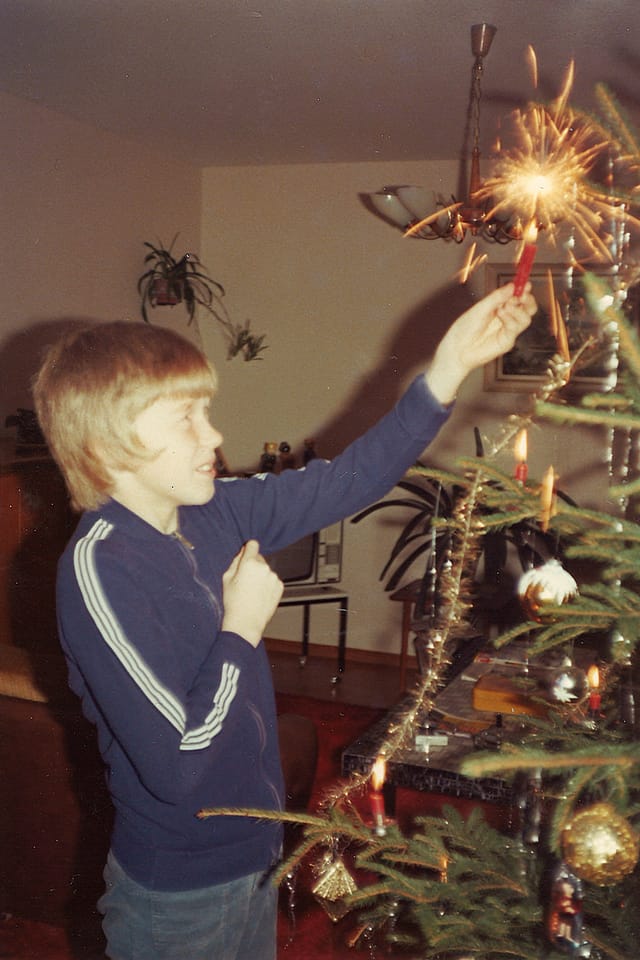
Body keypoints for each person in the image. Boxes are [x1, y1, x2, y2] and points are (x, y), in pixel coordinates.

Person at [32, 281, 535, 960]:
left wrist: (448, 367)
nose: (214, 435)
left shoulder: (210, 508)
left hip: (255, 856)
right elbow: (176, 765)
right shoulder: (100, 569)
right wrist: (239, 629)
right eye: (186, 418)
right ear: (109, 441)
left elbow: (351, 479)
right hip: (179, 892)